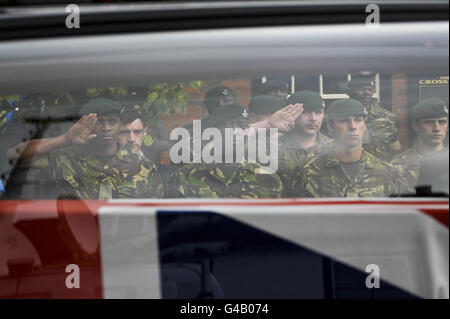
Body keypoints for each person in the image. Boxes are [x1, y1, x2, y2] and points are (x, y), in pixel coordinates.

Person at [10, 98, 163, 200]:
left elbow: (156, 219)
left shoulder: (143, 168)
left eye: (113, 122)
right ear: (86, 124)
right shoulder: (64, 159)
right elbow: (14, 155)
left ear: (120, 125)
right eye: (99, 122)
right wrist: (65, 139)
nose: (106, 128)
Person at [166, 104, 282, 198]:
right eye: (229, 125)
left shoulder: (268, 178)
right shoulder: (184, 176)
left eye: (242, 125)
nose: (236, 131)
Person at [292, 98, 401, 198]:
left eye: (358, 120)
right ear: (330, 126)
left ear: (364, 125)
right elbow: (299, 215)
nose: (352, 127)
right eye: (343, 120)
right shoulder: (309, 171)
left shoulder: (387, 172)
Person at [278, 91, 333, 197]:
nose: (313, 118)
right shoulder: (273, 148)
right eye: (305, 112)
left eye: (318, 112)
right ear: (290, 114)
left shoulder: (335, 148)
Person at [391, 98, 448, 193]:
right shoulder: (397, 166)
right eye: (429, 122)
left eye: (442, 122)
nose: (437, 128)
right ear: (415, 126)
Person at [345, 72, 401, 160]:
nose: (366, 93)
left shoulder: (388, 117)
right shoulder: (340, 117)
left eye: (370, 89)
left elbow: (396, 148)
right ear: (349, 92)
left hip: (381, 170)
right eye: (361, 89)